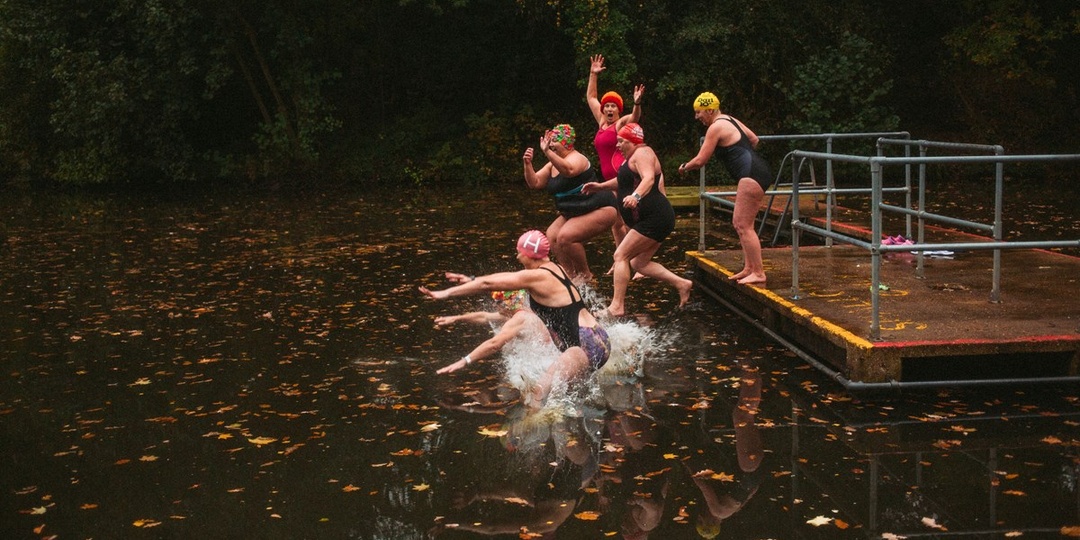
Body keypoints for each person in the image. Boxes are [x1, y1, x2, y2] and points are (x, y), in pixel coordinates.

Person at [419, 230, 611, 405]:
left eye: (519, 252)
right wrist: (471, 280)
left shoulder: (535, 279)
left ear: (529, 254)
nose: (517, 256)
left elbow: (488, 283)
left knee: (538, 394)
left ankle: (530, 434)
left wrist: (444, 293)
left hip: (584, 346)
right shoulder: (555, 269)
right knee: (568, 396)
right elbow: (501, 280)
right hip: (598, 338)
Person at [582, 123, 693, 317]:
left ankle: (616, 306)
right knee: (639, 264)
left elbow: (648, 178)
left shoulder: (643, 154)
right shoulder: (631, 158)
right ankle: (682, 284)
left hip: (655, 217)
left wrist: (636, 196)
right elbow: (622, 181)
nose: (617, 145)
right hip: (652, 218)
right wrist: (599, 187)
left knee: (620, 256)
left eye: (621, 141)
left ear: (633, 141)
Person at [677, 92, 773, 285]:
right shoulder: (729, 119)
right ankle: (749, 268)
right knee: (741, 224)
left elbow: (701, 160)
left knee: (743, 224)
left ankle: (759, 272)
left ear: (710, 110)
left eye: (699, 112)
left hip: (751, 175)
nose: (697, 117)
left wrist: (685, 167)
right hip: (755, 170)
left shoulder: (716, 127)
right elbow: (754, 139)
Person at [523, 124, 619, 283]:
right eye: (550, 141)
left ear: (566, 143)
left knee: (565, 237)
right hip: (576, 210)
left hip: (600, 207)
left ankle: (585, 275)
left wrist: (547, 152)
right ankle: (569, 275)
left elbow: (569, 171)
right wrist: (528, 164)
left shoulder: (577, 158)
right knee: (552, 235)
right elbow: (535, 183)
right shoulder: (552, 164)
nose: (550, 145)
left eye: (554, 141)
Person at [430, 273, 551, 375]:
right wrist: (456, 318)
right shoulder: (522, 312)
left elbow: (494, 344)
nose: (494, 305)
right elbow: (484, 316)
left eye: (497, 302)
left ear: (507, 303)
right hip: (545, 361)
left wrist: (464, 361)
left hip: (542, 368)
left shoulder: (519, 319)